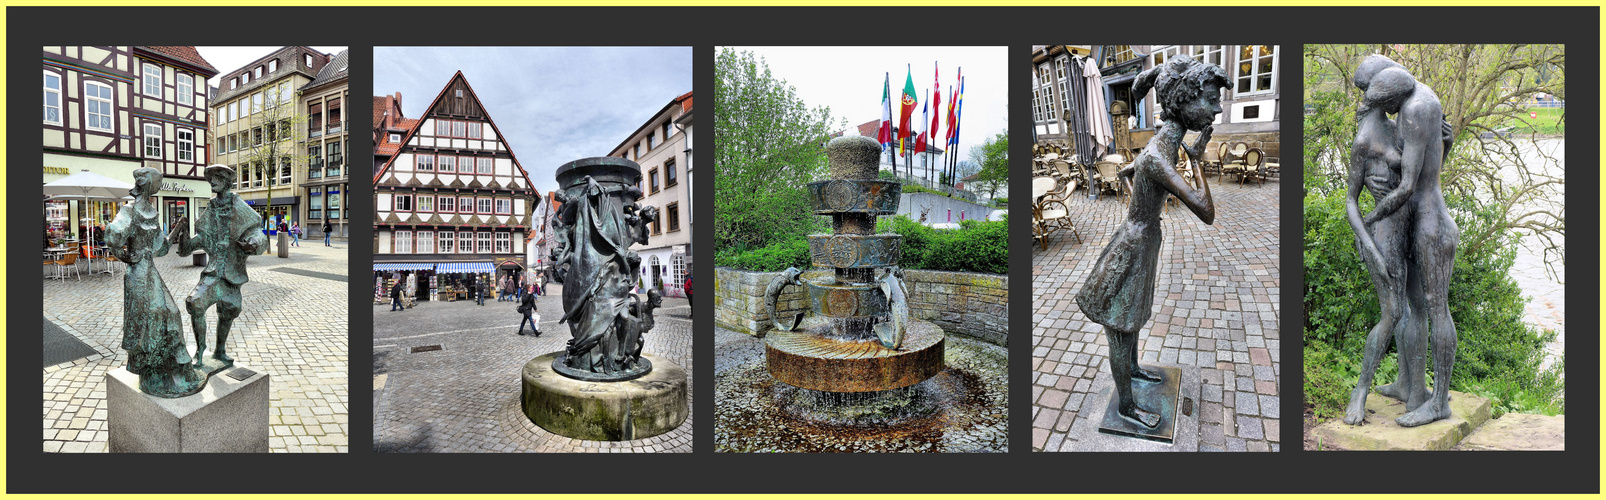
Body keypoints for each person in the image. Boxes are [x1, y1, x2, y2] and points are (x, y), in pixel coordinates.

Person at [1074, 56, 1225, 429]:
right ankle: (1126, 405)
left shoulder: (1159, 145)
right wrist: (1198, 160)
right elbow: (1206, 211)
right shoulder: (1161, 153)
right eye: (1210, 98)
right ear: (1183, 101)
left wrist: (1140, 205)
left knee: (1134, 317)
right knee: (1121, 328)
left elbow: (1129, 169)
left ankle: (1136, 370)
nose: (1217, 107)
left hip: (1143, 240)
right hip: (1134, 247)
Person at [1343, 54, 1460, 428]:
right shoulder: (1425, 100)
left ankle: (1437, 401)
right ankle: (1411, 385)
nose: (1376, 105)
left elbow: (1409, 184)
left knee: (1432, 307)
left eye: (1375, 97)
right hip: (1413, 221)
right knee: (1413, 308)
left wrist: (1371, 216)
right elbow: (1433, 156)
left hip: (1429, 222)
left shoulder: (1411, 110)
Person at [106, 167, 204, 397]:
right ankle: (151, 371)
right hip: (138, 276)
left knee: (170, 312)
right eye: (158, 180)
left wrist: (178, 229)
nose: (161, 183)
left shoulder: (152, 211)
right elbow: (112, 235)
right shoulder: (129, 211)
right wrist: (126, 256)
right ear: (148, 183)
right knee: (149, 320)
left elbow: (160, 248)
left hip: (150, 270)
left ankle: (166, 369)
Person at [176, 165, 267, 367]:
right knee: (195, 303)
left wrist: (253, 244)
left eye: (217, 178)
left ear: (227, 182)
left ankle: (220, 351)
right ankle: (200, 351)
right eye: (211, 178)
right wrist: (182, 234)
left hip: (232, 275)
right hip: (214, 273)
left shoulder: (238, 205)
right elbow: (191, 246)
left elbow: (257, 233)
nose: (213, 182)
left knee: (228, 312)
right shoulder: (211, 208)